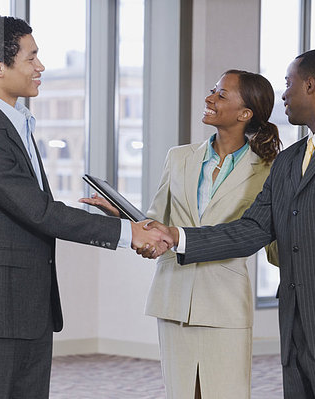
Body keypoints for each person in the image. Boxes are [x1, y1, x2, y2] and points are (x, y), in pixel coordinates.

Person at [145, 49, 315, 399]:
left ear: (311, 86)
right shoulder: (288, 161)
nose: (283, 94)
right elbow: (251, 229)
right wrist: (176, 236)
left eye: (289, 84)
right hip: (297, 332)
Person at [0, 16, 171, 399]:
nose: (40, 67)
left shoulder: (17, 123)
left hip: (26, 310)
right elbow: (39, 211)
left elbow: (35, 210)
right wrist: (127, 232)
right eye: (31, 58)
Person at [80, 70, 280, 398]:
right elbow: (159, 220)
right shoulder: (179, 157)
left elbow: (260, 234)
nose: (209, 98)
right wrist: (128, 219)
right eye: (212, 89)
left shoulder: (268, 169)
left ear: (245, 114)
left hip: (224, 302)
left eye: (221, 94)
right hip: (173, 296)